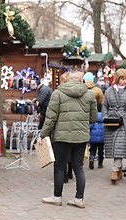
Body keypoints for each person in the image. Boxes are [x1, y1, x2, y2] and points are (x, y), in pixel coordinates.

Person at [37, 69, 97, 209]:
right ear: (82, 80)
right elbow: (93, 118)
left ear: (68, 79)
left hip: (62, 137)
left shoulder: (57, 94)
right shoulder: (89, 95)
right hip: (81, 137)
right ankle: (79, 199)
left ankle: (57, 197)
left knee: (59, 167)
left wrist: (43, 134)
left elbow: (51, 118)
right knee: (78, 167)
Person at [103, 69, 126, 184]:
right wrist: (105, 116)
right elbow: (105, 105)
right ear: (117, 78)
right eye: (122, 79)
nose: (124, 81)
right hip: (111, 121)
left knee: (120, 145)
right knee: (113, 146)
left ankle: (114, 170)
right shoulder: (109, 91)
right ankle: (118, 170)